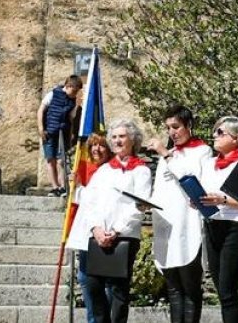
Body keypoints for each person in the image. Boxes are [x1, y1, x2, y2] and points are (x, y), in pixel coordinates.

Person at [69, 119, 153, 323]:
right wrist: (96, 228)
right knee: (92, 284)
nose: (117, 140)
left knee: (118, 291)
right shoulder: (104, 170)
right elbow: (90, 202)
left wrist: (116, 231)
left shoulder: (141, 170)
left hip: (123, 237)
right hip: (97, 236)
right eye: (114, 137)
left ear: (132, 139)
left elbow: (139, 206)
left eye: (122, 136)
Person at [148, 105, 212, 323]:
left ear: (189, 126)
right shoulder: (170, 154)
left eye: (176, 127)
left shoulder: (202, 151)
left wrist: (165, 154)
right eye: (168, 128)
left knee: (190, 287)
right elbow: (160, 188)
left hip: (187, 224)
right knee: (174, 289)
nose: (172, 132)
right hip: (166, 225)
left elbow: (191, 178)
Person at [199, 116, 238, 323]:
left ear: (237, 137)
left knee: (228, 289)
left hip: (236, 226)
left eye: (220, 132)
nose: (214, 135)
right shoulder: (210, 163)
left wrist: (222, 199)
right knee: (221, 291)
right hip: (213, 223)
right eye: (215, 131)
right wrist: (198, 200)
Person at [65, 133, 113, 323]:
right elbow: (84, 201)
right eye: (93, 145)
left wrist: (79, 189)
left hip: (104, 232)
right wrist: (75, 187)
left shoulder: (111, 171)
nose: (96, 149)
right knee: (85, 279)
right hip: (86, 231)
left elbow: (98, 201)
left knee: (104, 282)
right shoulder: (86, 169)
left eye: (101, 145)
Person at [38, 75, 84, 196]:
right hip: (49, 131)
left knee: (61, 160)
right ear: (68, 86)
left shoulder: (72, 100)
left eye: (77, 92)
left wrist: (71, 134)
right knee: (50, 159)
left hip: (63, 132)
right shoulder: (53, 94)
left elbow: (70, 118)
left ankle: (63, 187)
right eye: (74, 91)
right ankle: (54, 187)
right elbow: (41, 110)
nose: (75, 94)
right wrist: (41, 128)